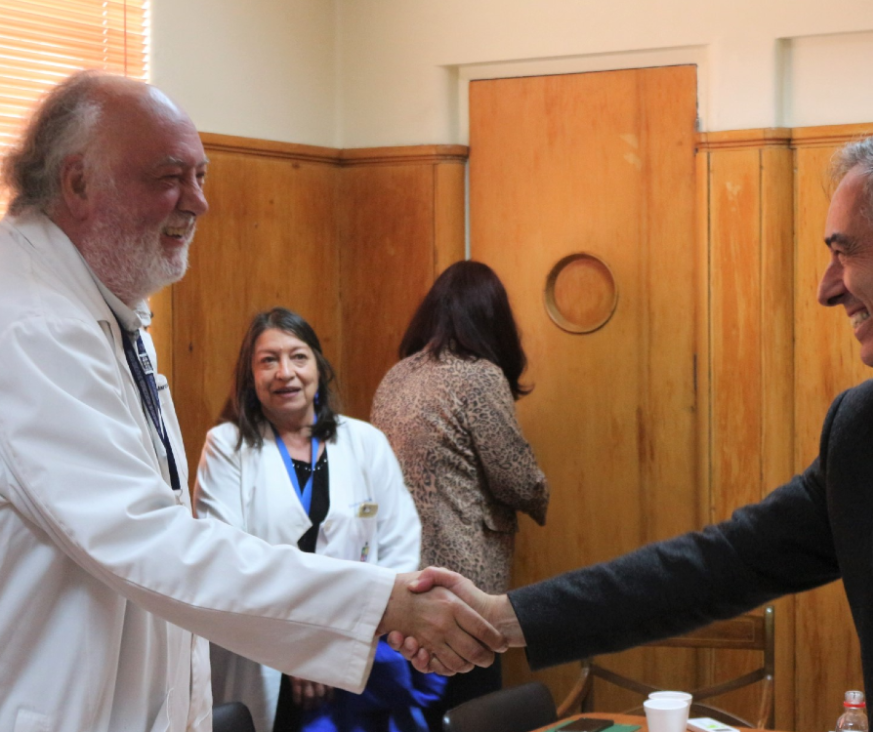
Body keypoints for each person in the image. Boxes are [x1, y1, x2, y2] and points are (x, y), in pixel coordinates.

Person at [394, 122, 873, 732]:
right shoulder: (869, 428)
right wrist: (504, 617)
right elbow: (720, 564)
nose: (826, 288)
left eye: (846, 252)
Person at [0, 70, 502, 732]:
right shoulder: (30, 325)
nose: (199, 202)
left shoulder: (105, 312)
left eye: (201, 176)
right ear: (78, 182)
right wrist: (381, 603)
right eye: (170, 177)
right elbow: (146, 538)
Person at [195, 307, 445, 732]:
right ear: (250, 376)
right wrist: (297, 648)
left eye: (298, 357)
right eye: (268, 360)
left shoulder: (366, 442)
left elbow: (400, 546)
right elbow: (227, 558)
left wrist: (335, 645)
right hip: (265, 657)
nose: (285, 372)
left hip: (359, 649)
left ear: (318, 367)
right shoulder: (226, 446)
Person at [371, 261, 550, 724]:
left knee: (417, 715)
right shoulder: (478, 376)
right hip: (461, 587)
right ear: (493, 319)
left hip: (399, 587)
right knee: (472, 713)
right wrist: (541, 494)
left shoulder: (395, 377)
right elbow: (517, 477)